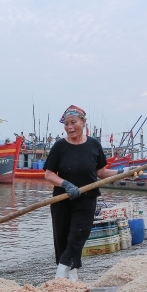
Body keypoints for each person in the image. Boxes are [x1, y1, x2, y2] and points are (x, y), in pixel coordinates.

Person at [43, 105, 122, 280]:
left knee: (78, 236)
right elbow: (48, 174)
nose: (69, 127)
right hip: (63, 198)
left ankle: (58, 278)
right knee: (62, 239)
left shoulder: (94, 145)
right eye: (66, 123)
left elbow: (101, 172)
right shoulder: (60, 146)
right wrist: (66, 184)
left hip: (87, 198)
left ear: (83, 122)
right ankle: (73, 278)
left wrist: (122, 173)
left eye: (73, 122)